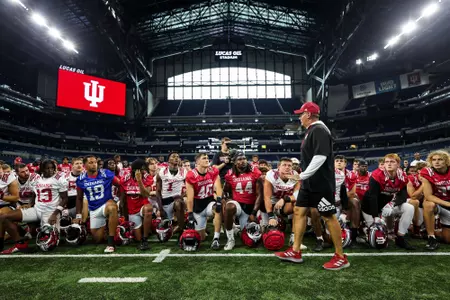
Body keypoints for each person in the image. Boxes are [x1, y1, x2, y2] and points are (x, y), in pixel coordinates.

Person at [275, 102, 349, 270]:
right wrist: (303, 179)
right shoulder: (312, 131)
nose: (299, 117)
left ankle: (340, 256)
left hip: (321, 183)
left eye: (301, 114)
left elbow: (320, 157)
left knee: (328, 216)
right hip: (309, 183)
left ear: (308, 114)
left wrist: (301, 176)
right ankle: (295, 251)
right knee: (299, 211)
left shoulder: (319, 130)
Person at [0, 159, 68, 254]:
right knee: (3, 217)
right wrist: (31, 204)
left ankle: (63, 229)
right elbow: (35, 193)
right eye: (47, 168)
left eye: (52, 168)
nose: (50, 170)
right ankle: (20, 243)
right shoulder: (37, 179)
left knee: (47, 244)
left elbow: (65, 199)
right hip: (36, 210)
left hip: (50, 212)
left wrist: (55, 214)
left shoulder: (60, 179)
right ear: (42, 169)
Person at [361, 153, 415, 250]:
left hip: (387, 206)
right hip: (370, 207)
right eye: (386, 162)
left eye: (392, 162)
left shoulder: (402, 176)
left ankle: (400, 238)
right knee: (376, 236)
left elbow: (403, 196)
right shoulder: (376, 175)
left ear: (398, 164)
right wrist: (376, 217)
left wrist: (392, 204)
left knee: (409, 208)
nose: (389, 164)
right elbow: (372, 197)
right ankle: (364, 230)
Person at [74, 155, 120, 253]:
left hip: (106, 205)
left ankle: (111, 243)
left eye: (95, 162)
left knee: (112, 208)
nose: (94, 164)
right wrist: (78, 215)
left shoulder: (105, 173)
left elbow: (120, 185)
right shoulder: (81, 179)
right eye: (90, 162)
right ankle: (112, 228)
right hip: (94, 209)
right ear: (85, 165)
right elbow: (79, 198)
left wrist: (116, 200)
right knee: (98, 239)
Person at [223, 151, 262, 250]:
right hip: (238, 205)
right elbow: (225, 191)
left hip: (251, 206)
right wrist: (226, 201)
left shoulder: (255, 172)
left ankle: (237, 230)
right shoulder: (230, 174)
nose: (243, 161)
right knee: (229, 207)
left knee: (251, 239)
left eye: (244, 158)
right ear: (235, 162)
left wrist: (253, 212)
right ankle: (230, 239)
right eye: (240, 159)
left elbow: (259, 194)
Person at [185, 153, 223, 250]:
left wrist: (218, 200)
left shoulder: (213, 170)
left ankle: (216, 239)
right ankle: (203, 228)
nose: (207, 160)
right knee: (201, 238)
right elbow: (190, 197)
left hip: (209, 201)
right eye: (204, 158)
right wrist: (190, 214)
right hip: (197, 206)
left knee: (218, 209)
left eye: (207, 158)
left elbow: (218, 186)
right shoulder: (191, 175)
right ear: (197, 162)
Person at [120, 159, 153, 250]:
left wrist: (139, 181)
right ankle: (142, 234)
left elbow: (146, 194)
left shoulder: (147, 177)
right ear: (135, 170)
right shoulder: (125, 179)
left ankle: (145, 239)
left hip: (143, 206)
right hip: (132, 210)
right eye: (142, 169)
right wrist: (124, 219)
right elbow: (122, 199)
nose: (144, 171)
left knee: (148, 209)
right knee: (137, 238)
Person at [421, 150, 450, 250]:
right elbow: (428, 195)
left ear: (446, 161)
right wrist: (447, 204)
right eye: (434, 160)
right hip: (439, 204)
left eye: (440, 159)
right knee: (428, 204)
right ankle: (431, 237)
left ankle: (430, 231)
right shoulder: (427, 172)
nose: (436, 162)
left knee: (448, 240)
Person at [156, 152, 187, 233]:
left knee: (178, 203)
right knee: (165, 229)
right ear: (168, 160)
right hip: (165, 201)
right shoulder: (161, 172)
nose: (176, 158)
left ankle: (181, 229)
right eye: (173, 156)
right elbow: (158, 191)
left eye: (178, 156)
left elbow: (189, 188)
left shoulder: (184, 172)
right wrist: (160, 208)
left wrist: (182, 195)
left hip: (176, 200)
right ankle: (176, 223)